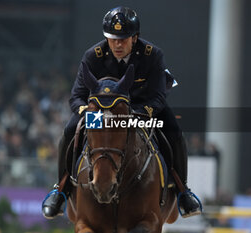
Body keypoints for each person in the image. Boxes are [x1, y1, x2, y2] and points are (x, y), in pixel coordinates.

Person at [42, 6, 202, 219]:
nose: (117, 44)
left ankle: (183, 191)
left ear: (134, 38)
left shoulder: (151, 55)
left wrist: (136, 114)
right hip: (100, 113)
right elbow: (77, 96)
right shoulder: (93, 56)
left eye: (123, 39)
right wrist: (87, 112)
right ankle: (60, 190)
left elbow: (158, 96)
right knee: (70, 130)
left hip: (142, 111)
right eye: (112, 38)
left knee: (174, 131)